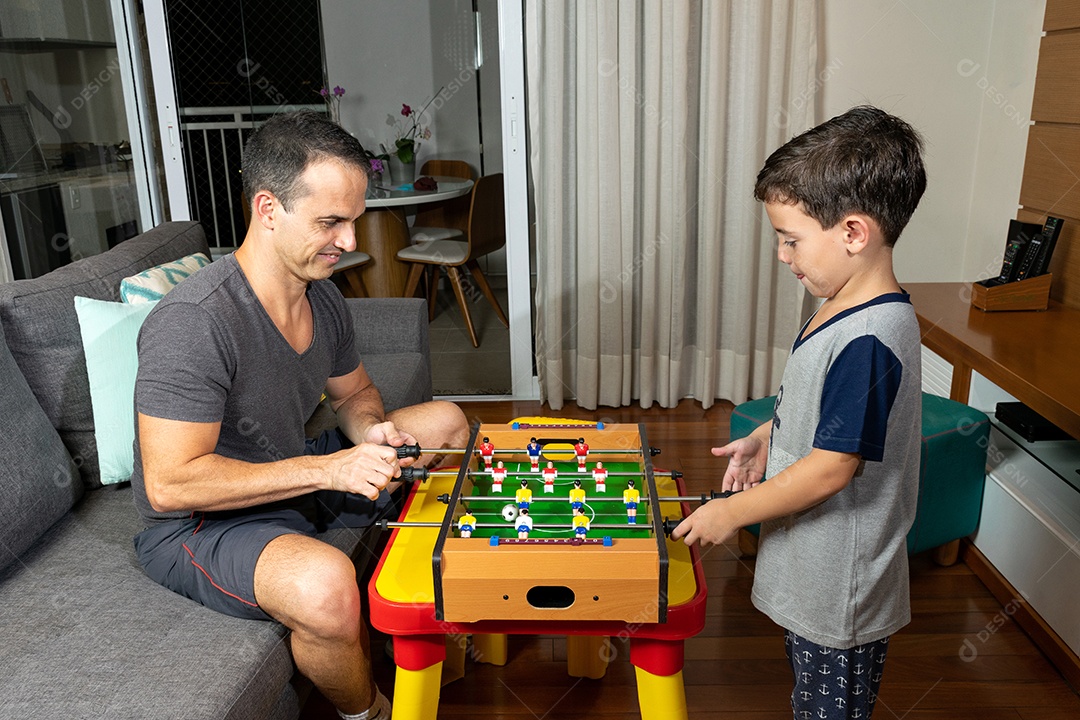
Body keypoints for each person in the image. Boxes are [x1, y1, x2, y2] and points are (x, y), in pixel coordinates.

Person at [130, 111, 470, 720]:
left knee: (444, 422)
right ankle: (371, 712)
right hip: (202, 524)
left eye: (353, 221)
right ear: (267, 209)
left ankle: (437, 604)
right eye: (330, 223)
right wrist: (331, 471)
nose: (349, 242)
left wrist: (372, 432)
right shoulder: (193, 322)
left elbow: (355, 394)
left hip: (291, 473)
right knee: (326, 586)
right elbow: (171, 483)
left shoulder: (323, 295)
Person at [672, 106, 927, 720]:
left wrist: (731, 511)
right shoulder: (841, 303)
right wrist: (768, 434)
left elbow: (831, 468)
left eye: (791, 239)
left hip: (841, 586)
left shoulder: (872, 336)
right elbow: (817, 406)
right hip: (813, 567)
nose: (784, 256)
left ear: (853, 233)